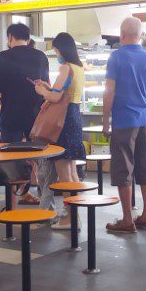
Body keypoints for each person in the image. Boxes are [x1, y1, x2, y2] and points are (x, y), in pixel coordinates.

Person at [102, 17, 146, 233]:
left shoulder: (116, 57)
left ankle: (127, 219)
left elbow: (109, 91)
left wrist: (105, 121)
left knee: (123, 170)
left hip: (123, 122)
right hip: (145, 121)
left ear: (122, 34)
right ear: (140, 35)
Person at [34, 32, 86, 229]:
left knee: (64, 172)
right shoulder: (78, 68)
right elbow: (60, 92)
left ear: (62, 50)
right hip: (73, 117)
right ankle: (74, 216)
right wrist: (49, 88)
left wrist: (42, 91)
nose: (56, 54)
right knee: (71, 171)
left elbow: (55, 98)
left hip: (62, 122)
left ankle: (69, 218)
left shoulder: (65, 68)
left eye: (56, 51)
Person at [0, 23, 49, 142]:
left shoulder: (3, 57)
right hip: (35, 115)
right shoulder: (41, 56)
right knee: (36, 153)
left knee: (10, 154)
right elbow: (45, 85)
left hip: (11, 114)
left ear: (10, 37)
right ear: (27, 39)